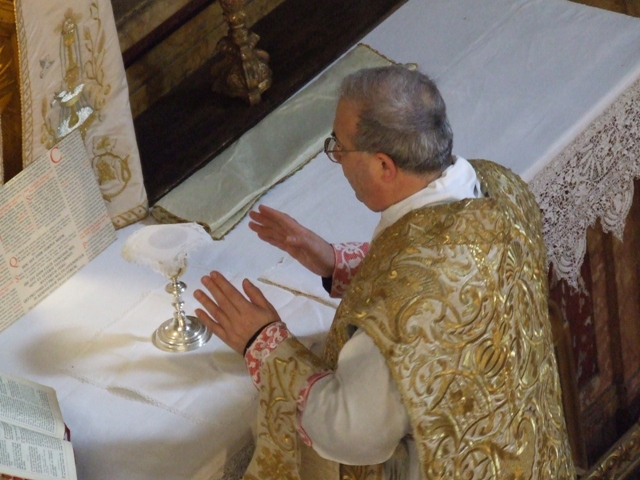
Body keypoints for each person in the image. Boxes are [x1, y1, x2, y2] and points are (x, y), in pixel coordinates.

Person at [194, 65, 575, 479]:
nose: (337, 159)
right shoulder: (499, 186)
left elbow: (356, 433)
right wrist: (336, 263)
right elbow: (457, 278)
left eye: (339, 147)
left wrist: (264, 344)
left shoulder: (402, 312)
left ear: (383, 166)